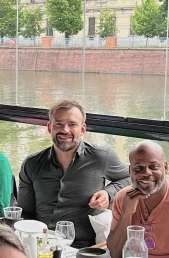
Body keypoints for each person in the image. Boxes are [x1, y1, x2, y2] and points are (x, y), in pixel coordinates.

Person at [18, 100, 130, 248]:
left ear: (83, 129)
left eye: (72, 124)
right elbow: (25, 212)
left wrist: (108, 192)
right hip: (41, 244)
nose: (65, 130)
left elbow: (131, 177)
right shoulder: (31, 163)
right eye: (58, 124)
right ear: (50, 127)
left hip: (84, 249)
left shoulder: (101, 157)